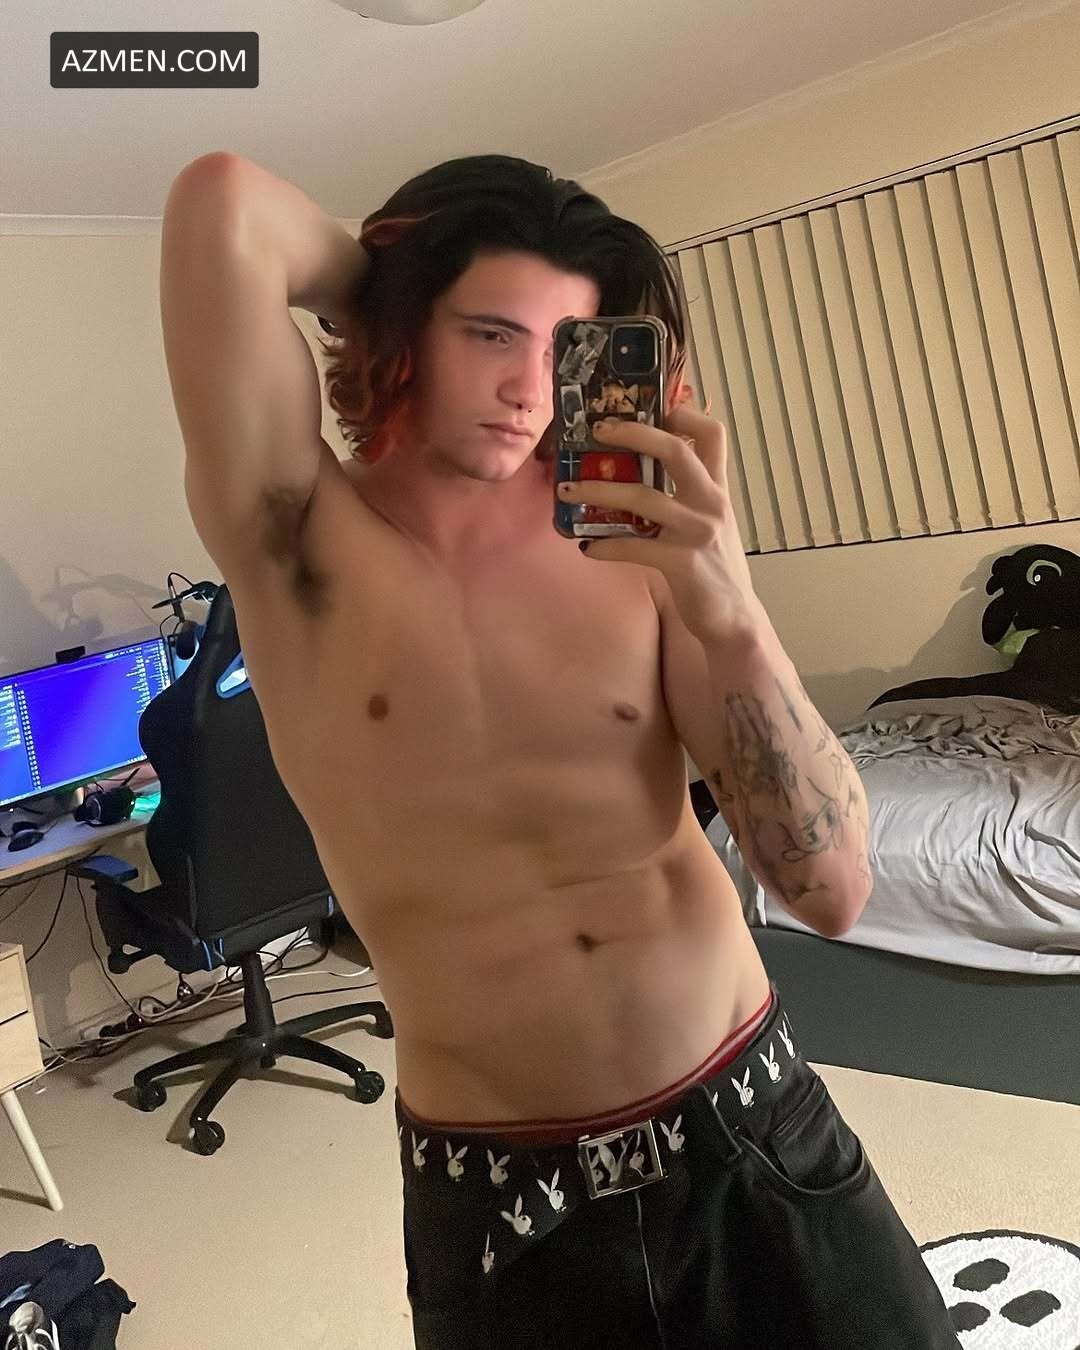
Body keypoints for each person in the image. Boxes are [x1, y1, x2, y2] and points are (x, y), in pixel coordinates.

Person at [160, 151, 960, 1348]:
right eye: (492, 333)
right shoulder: (297, 537)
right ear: (400, 330)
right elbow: (224, 202)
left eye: (561, 347)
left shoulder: (635, 544)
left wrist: (732, 612)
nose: (527, 389)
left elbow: (831, 889)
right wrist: (403, 275)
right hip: (502, 1205)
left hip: (749, 1125)